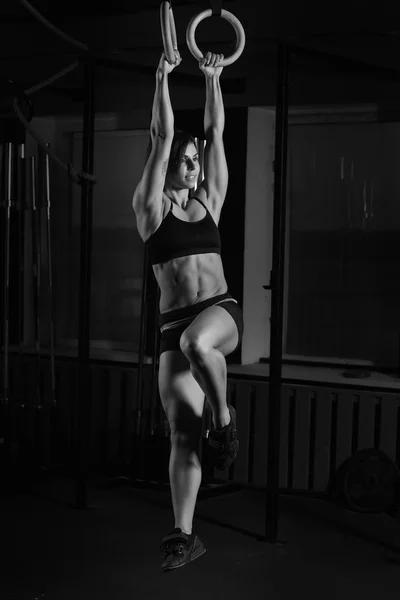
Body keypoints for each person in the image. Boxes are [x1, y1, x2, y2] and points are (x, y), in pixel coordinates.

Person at [132, 48, 244, 572]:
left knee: (198, 344)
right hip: (172, 327)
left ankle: (224, 420)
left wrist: (213, 77)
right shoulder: (151, 209)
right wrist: (163, 76)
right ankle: (184, 533)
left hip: (218, 314)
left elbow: (217, 132)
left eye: (197, 158)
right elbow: (160, 134)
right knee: (181, 432)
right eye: (187, 155)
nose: (194, 162)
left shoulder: (211, 202)